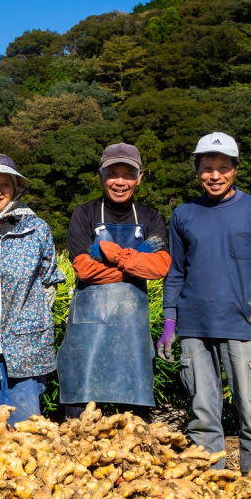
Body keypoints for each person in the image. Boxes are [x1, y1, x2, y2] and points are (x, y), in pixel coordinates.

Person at [158, 132, 251, 475]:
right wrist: (170, 323)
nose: (215, 176)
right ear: (197, 170)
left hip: (246, 328)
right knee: (201, 417)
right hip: (195, 330)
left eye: (223, 168)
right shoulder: (184, 214)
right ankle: (210, 495)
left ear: (235, 169)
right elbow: (176, 272)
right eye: (207, 168)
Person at [58, 143, 171, 418]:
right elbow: (84, 270)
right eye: (112, 173)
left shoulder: (150, 217)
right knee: (78, 412)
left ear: (140, 177)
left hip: (132, 329)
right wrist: (137, 258)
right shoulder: (83, 214)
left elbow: (160, 267)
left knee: (134, 416)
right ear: (101, 175)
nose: (120, 181)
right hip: (88, 326)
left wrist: (110, 254)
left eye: (128, 174)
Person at [0, 155, 63, 425]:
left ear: (16, 190)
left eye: (4, 185)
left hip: (27, 342)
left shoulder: (36, 228)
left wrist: (33, 316)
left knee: (26, 428)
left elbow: (49, 280)